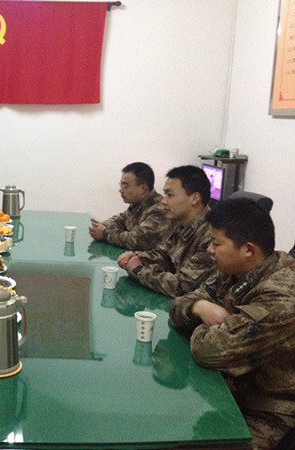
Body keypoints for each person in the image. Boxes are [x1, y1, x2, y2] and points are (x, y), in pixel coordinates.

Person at [169, 199, 295, 449]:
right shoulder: (234, 269)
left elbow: (209, 351)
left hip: (267, 409)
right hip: (229, 388)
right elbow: (178, 304)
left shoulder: (281, 296)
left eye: (216, 243)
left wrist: (207, 324)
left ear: (248, 249)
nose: (209, 250)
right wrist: (199, 307)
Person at [117, 165, 215, 297]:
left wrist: (139, 270)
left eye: (170, 195)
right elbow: (164, 255)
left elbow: (182, 286)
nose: (163, 201)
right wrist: (137, 257)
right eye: (165, 194)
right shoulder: (182, 223)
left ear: (195, 198)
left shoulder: (212, 235)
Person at [89, 162, 171, 250]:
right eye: (121, 185)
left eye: (125, 186)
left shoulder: (160, 210)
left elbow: (138, 240)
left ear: (143, 189)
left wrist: (105, 233)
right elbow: (120, 220)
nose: (121, 190)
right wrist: (101, 226)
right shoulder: (137, 203)